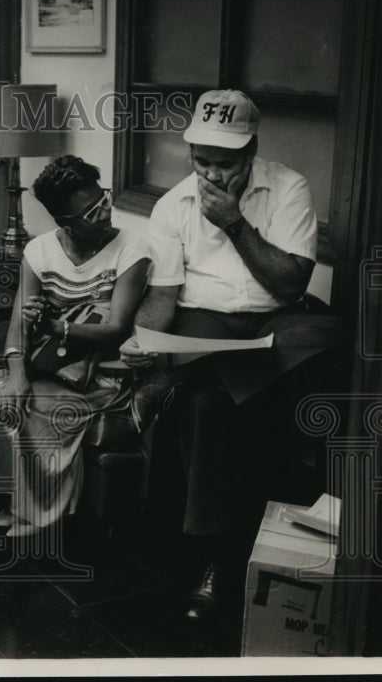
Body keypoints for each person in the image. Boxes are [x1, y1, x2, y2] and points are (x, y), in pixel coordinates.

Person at [119, 89, 347, 620]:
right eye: (203, 163)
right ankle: (217, 561)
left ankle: (180, 379)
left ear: (252, 152)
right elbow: (162, 299)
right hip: (206, 321)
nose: (213, 177)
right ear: (191, 153)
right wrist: (144, 343)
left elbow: (291, 286)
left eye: (226, 164)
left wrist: (234, 224)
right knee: (204, 395)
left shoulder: (288, 188)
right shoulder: (173, 205)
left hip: (275, 321)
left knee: (327, 333)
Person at [0, 155, 151, 537]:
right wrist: (15, 373)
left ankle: (38, 512)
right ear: (65, 222)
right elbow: (18, 325)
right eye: (92, 211)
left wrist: (55, 325)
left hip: (102, 373)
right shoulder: (40, 251)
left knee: (37, 410)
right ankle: (13, 498)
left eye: (104, 199)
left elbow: (116, 329)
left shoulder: (132, 250)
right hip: (47, 365)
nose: (106, 212)